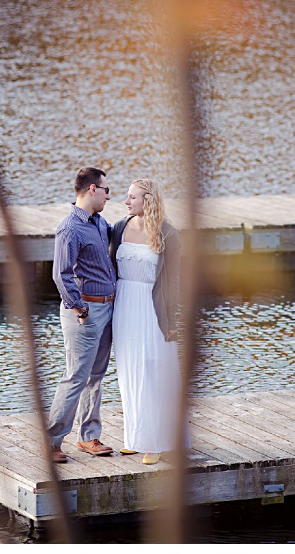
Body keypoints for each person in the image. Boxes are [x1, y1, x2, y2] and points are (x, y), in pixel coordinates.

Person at [110, 178, 189, 465]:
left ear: (149, 200)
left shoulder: (168, 233)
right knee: (130, 371)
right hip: (124, 306)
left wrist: (172, 320)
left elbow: (173, 282)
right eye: (127, 197)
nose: (127, 201)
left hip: (153, 308)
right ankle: (135, 437)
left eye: (132, 197)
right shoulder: (119, 227)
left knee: (153, 371)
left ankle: (156, 443)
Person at [45, 166, 118, 464]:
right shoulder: (70, 228)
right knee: (75, 376)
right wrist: (80, 309)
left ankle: (89, 437)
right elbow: (60, 275)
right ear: (91, 189)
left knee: (96, 376)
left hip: (108, 308)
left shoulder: (100, 224)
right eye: (105, 190)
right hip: (85, 311)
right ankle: (51, 442)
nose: (108, 196)